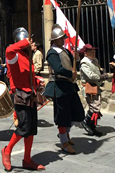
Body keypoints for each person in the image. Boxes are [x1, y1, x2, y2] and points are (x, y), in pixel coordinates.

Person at [1, 27, 45, 171]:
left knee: (31, 129)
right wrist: (24, 42)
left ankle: (27, 159)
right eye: (29, 43)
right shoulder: (15, 55)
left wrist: (37, 82)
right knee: (23, 127)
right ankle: (7, 151)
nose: (32, 45)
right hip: (20, 95)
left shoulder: (28, 57)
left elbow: (28, 77)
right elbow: (8, 51)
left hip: (30, 94)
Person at [45, 25, 85, 154]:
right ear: (55, 40)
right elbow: (58, 69)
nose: (63, 40)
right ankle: (64, 142)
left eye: (63, 38)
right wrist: (70, 74)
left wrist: (77, 57)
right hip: (59, 86)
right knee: (62, 116)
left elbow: (73, 63)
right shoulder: (52, 52)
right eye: (61, 38)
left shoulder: (66, 51)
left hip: (69, 86)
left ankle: (65, 133)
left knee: (77, 113)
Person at [79, 44, 108, 137]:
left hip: (96, 86)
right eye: (91, 52)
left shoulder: (95, 60)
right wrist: (100, 77)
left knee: (97, 106)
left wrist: (102, 72)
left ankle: (92, 126)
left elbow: (97, 70)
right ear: (86, 53)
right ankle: (86, 122)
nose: (94, 53)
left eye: (94, 51)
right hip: (89, 86)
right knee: (94, 106)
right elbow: (90, 75)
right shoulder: (84, 63)